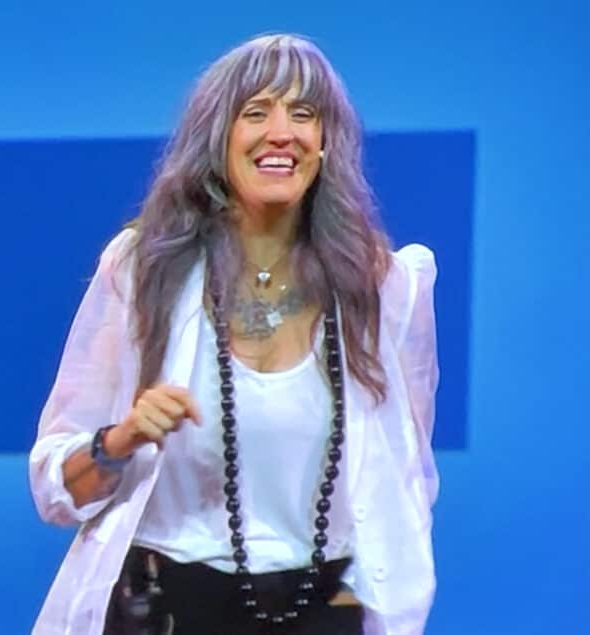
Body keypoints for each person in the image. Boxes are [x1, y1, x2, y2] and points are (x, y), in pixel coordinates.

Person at [29, 33, 438, 635]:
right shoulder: (144, 269)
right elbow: (57, 488)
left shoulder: (384, 286)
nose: (282, 132)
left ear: (326, 144)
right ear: (217, 140)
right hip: (169, 605)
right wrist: (122, 438)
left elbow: (406, 484)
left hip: (320, 609)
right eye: (256, 112)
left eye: (304, 114)